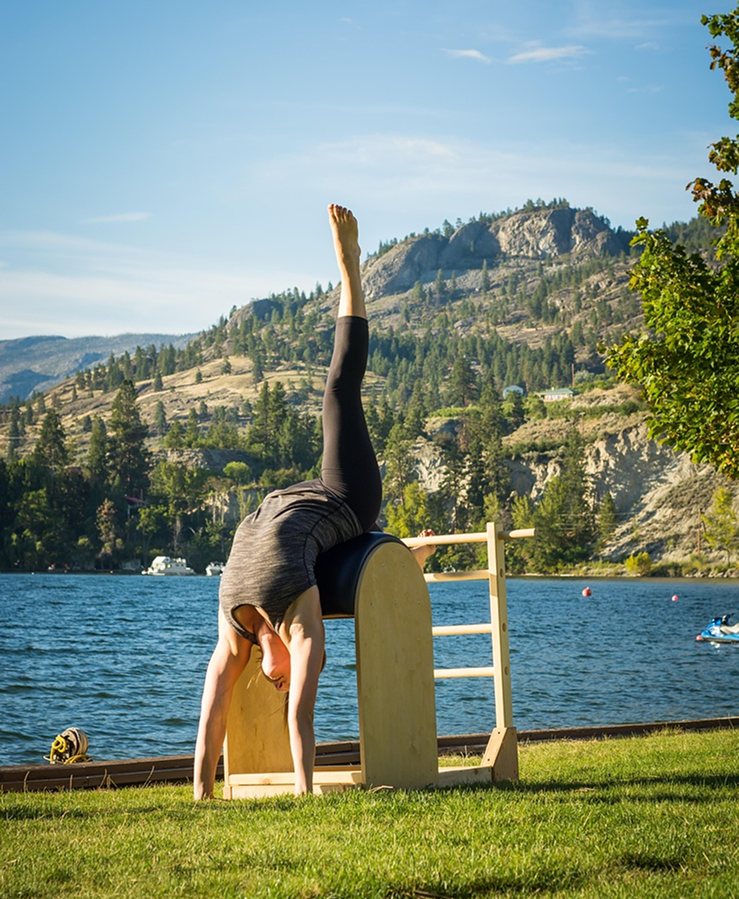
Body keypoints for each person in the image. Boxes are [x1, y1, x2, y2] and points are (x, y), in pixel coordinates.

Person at [194, 205, 431, 800]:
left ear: (259, 657)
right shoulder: (266, 625)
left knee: (338, 388)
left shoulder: (240, 624)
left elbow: (242, 714)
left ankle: (349, 267)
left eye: (276, 680)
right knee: (336, 391)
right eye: (284, 681)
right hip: (337, 501)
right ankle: (350, 270)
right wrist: (213, 791)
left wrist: (218, 794)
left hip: (322, 503)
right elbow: (232, 714)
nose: (283, 683)